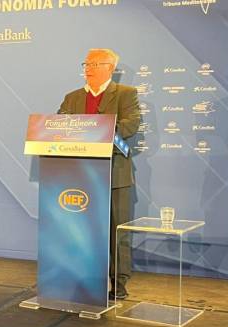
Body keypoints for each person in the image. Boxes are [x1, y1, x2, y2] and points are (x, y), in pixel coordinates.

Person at [58, 48, 140, 299]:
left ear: (110, 68)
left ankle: (119, 283)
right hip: (80, 174)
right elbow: (60, 124)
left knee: (118, 231)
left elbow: (130, 125)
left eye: (94, 63)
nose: (88, 68)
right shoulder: (72, 97)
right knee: (84, 231)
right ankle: (83, 278)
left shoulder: (126, 94)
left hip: (115, 173)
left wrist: (94, 128)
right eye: (86, 63)